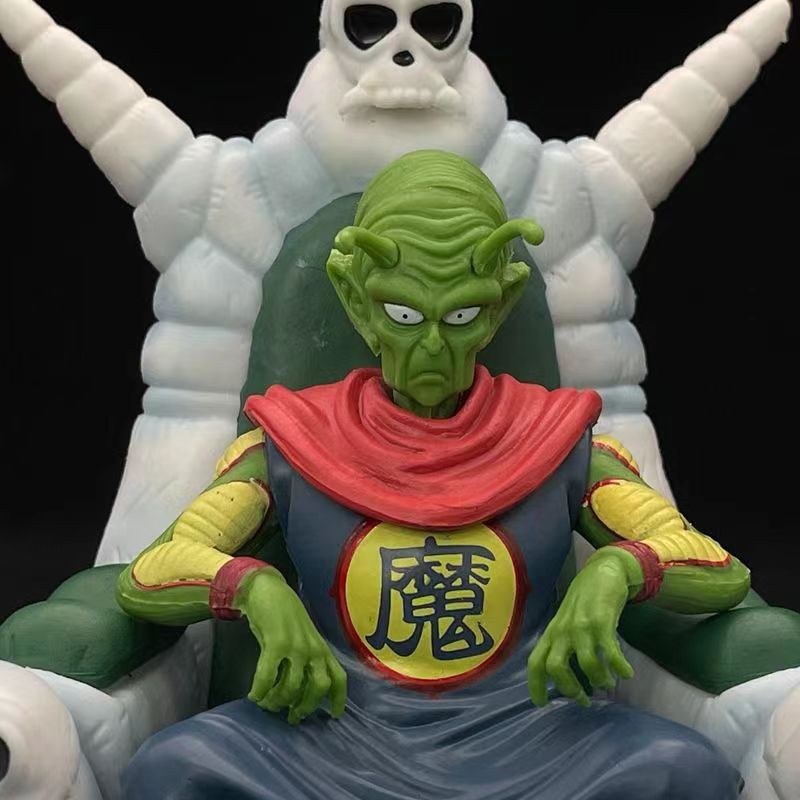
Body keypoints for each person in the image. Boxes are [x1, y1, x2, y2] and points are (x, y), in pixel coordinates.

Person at [118, 150, 748, 799]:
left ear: (500, 304)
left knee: (685, 769)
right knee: (173, 768)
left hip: (530, 731)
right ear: (355, 299)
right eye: (404, 315)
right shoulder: (291, 441)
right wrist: (253, 588)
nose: (431, 348)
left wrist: (619, 569)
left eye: (461, 316)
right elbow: (151, 574)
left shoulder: (559, 440)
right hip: (336, 733)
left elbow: (719, 570)